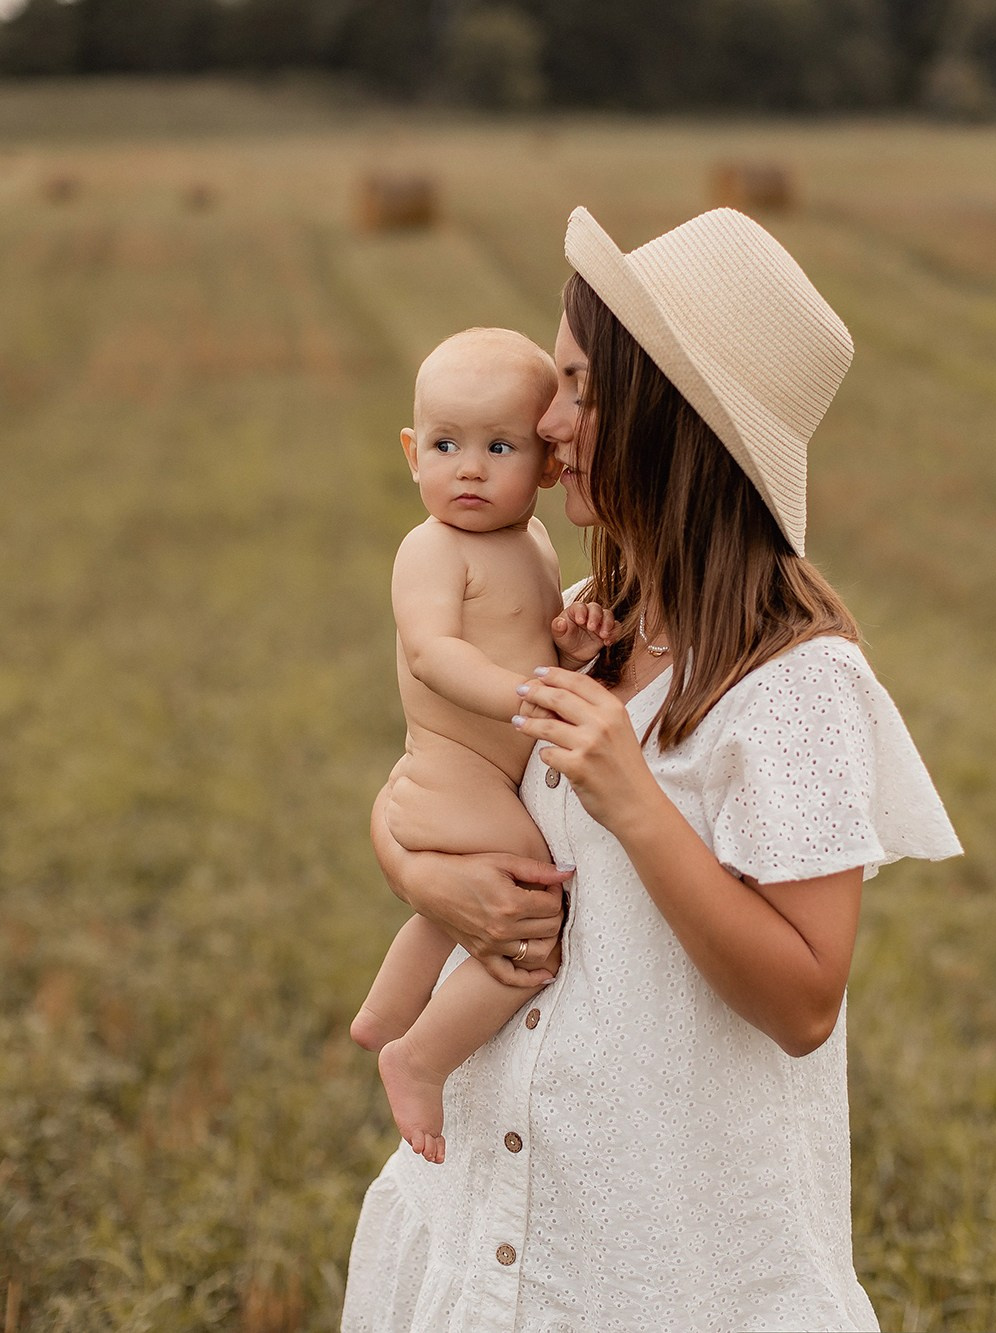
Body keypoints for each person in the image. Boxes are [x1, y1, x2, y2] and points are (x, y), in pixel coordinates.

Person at [343, 207, 962, 1331]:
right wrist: (417, 871)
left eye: (576, 385)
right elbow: (437, 788)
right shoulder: (599, 626)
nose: (546, 417)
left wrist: (633, 802)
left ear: (664, 419)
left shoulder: (793, 687)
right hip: (495, 1221)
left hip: (658, 1265)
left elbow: (803, 998)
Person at [350, 327, 616, 1166]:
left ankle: (387, 1011)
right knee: (532, 910)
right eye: (445, 444)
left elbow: (528, 642)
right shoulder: (431, 549)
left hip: (483, 776)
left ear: (544, 464)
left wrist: (568, 649)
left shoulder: (533, 544)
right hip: (451, 771)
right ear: (410, 451)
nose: (468, 468)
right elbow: (434, 653)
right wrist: (531, 694)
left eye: (498, 446)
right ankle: (419, 1056)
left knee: (457, 905)